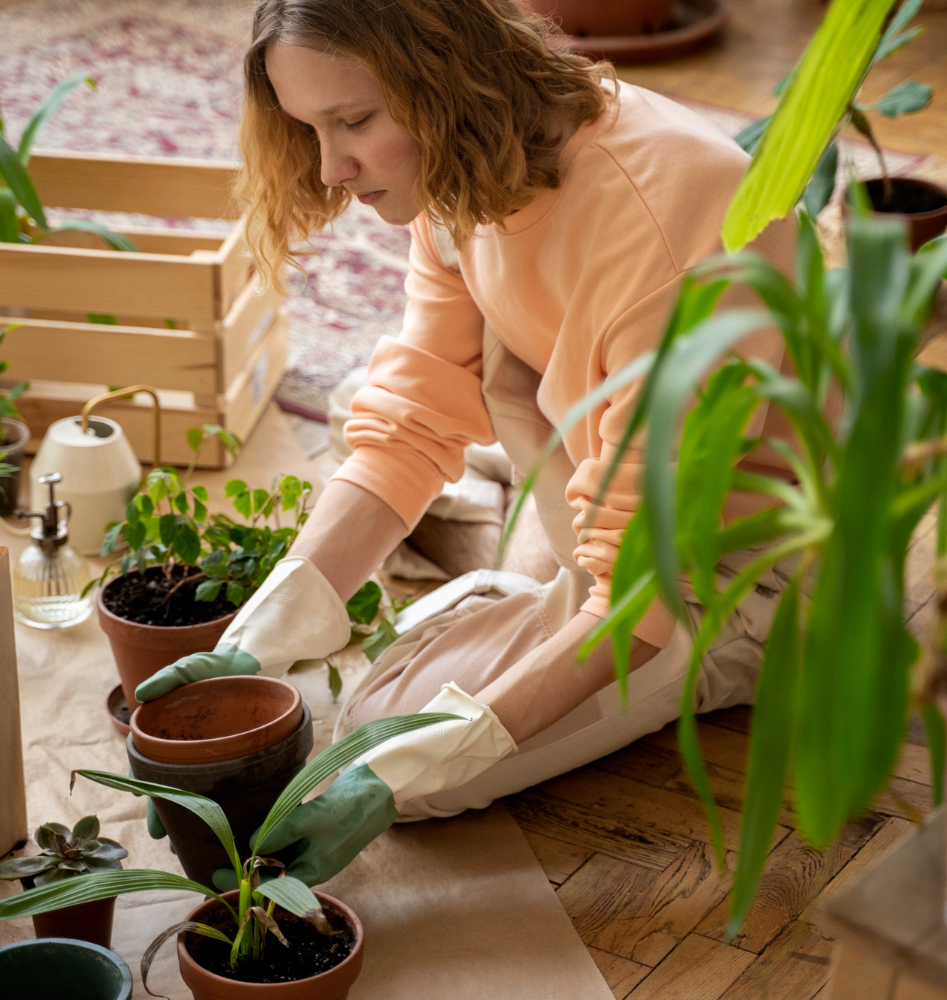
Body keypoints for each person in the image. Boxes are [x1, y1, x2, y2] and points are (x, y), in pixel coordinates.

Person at [136, 0, 797, 887]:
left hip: (726, 573)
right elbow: (415, 419)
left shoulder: (674, 211)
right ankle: (517, 578)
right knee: (371, 401)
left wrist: (396, 771)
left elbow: (644, 597)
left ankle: (531, 588)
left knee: (400, 762)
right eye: (310, 130)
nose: (332, 169)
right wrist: (261, 632)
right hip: (592, 466)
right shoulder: (464, 166)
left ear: (444, 75)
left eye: (354, 122)